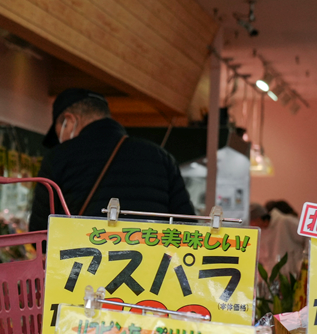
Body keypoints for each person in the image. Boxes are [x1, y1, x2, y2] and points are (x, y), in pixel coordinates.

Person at [28, 88, 194, 231]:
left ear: (69, 120)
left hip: (85, 264)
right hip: (152, 264)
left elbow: (40, 232)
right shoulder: (161, 157)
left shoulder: (58, 157)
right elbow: (188, 226)